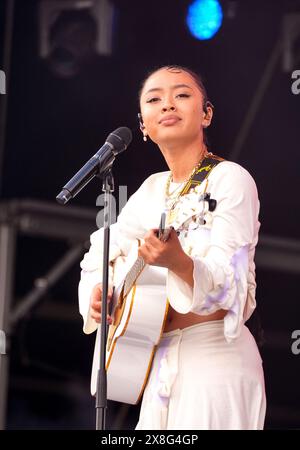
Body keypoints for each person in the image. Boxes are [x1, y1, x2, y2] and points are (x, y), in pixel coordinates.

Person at [78, 65, 266, 430]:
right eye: (154, 99)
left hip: (214, 360)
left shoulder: (230, 179)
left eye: (181, 95)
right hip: (158, 360)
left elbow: (230, 282)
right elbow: (97, 253)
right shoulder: (151, 189)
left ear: (206, 114)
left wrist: (180, 263)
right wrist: (98, 292)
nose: (167, 104)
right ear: (143, 126)